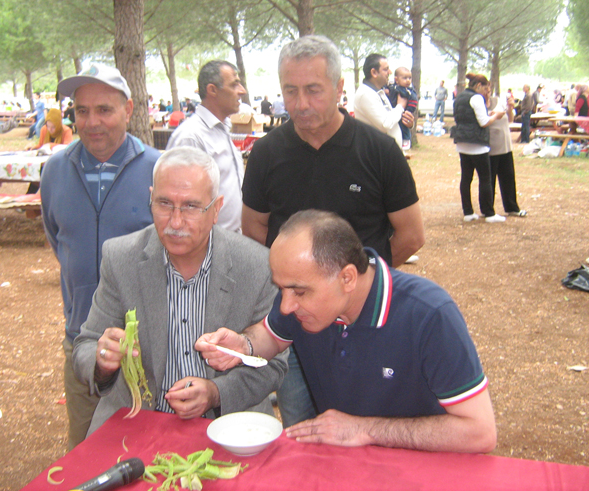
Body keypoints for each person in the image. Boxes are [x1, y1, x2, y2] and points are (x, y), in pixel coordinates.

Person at [196, 210, 497, 453]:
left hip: (422, 471)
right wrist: (243, 345)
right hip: (344, 467)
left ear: (348, 278)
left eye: (298, 292)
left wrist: (364, 429)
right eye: (281, 288)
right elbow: (272, 336)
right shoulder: (302, 298)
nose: (286, 306)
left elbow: (480, 432)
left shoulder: (429, 315)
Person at [241, 35, 425, 428]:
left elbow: (411, 235)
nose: (301, 103)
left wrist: (357, 282)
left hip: (365, 325)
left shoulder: (378, 151)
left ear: (340, 89)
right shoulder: (267, 154)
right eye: (290, 91)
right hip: (294, 324)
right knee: (302, 428)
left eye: (313, 90)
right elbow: (254, 229)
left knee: (366, 427)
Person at [72, 146, 288, 436]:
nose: (175, 222)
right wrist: (102, 361)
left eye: (190, 206)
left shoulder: (257, 265)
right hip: (136, 423)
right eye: (164, 204)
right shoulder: (120, 258)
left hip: (230, 426)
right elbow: (85, 346)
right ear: (150, 197)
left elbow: (273, 363)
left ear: (216, 208)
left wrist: (215, 392)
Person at [40, 64, 162, 450]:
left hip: (150, 351)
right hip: (82, 346)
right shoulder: (55, 170)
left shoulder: (160, 169)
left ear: (128, 109)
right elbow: (58, 239)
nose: (91, 122)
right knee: (84, 452)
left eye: (104, 110)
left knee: (150, 452)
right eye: (81, 111)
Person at [166, 60, 246, 232]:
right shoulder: (191, 137)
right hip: (208, 245)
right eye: (234, 85)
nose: (242, 91)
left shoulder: (222, 129)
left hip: (231, 241)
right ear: (212, 90)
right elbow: (179, 204)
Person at [453, 73, 506, 223]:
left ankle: (468, 212)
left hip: (463, 143)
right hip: (477, 144)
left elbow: (469, 117)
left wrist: (489, 114)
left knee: (466, 178)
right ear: (478, 86)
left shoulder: (460, 97)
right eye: (485, 89)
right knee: (485, 178)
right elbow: (483, 122)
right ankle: (489, 213)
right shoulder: (476, 98)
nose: (486, 92)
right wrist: (496, 116)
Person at [354, 53, 415, 148]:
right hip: (376, 157)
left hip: (386, 156)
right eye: (386, 69)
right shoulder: (365, 94)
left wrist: (407, 122)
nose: (390, 72)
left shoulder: (378, 92)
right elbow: (385, 124)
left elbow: (391, 119)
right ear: (374, 72)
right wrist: (400, 106)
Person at [487, 90, 527, 217]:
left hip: (505, 145)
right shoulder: (479, 104)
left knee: (508, 177)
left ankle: (512, 207)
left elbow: (510, 119)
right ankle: (488, 210)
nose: (487, 92)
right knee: (490, 179)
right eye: (484, 89)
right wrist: (493, 115)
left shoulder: (498, 101)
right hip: (491, 147)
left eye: (488, 89)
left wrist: (510, 108)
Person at [387, 67, 418, 150]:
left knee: (404, 125)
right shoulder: (392, 87)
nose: (408, 80)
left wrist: (408, 111)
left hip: (403, 112)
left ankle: (406, 139)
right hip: (393, 111)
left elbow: (414, 101)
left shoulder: (408, 91)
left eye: (409, 78)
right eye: (404, 78)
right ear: (396, 80)